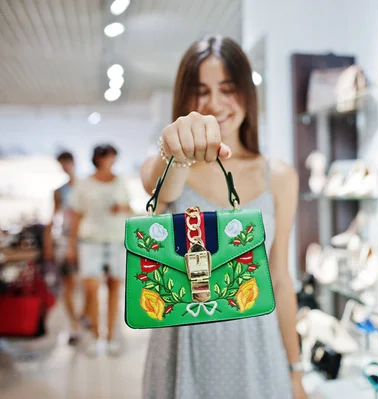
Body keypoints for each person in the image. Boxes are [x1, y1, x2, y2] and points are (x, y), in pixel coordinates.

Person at [140, 36, 307, 399]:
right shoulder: (171, 167)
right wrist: (174, 150)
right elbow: (161, 188)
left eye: (227, 89)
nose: (214, 103)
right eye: (200, 91)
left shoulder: (278, 176)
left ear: (247, 93)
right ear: (184, 99)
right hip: (183, 350)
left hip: (257, 350)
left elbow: (279, 279)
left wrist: (295, 371)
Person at [67, 144, 131, 356]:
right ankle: (95, 335)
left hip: (116, 239)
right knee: (91, 289)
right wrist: (71, 245)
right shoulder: (84, 184)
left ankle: (111, 336)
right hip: (91, 241)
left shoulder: (121, 182)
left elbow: (129, 208)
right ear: (98, 159)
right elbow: (75, 215)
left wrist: (122, 208)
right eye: (107, 157)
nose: (111, 161)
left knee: (114, 287)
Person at [43, 151, 82, 342]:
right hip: (66, 240)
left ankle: (82, 320)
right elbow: (53, 216)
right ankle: (74, 325)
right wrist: (48, 241)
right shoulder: (61, 191)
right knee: (68, 285)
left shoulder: (85, 187)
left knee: (88, 285)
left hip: (85, 240)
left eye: (66, 163)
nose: (65, 167)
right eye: (62, 164)